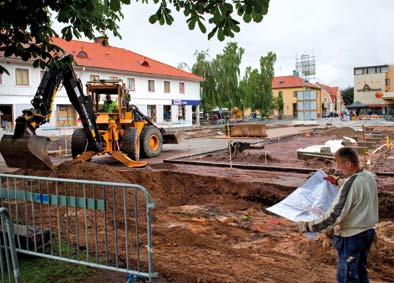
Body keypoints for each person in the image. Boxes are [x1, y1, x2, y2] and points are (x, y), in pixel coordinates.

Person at [297, 147, 378, 283]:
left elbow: (333, 216)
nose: (337, 168)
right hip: (366, 234)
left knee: (347, 278)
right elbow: (355, 186)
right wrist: (337, 181)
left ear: (348, 164)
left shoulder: (351, 184)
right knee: (360, 272)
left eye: (339, 164)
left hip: (351, 239)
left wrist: (307, 226)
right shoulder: (368, 177)